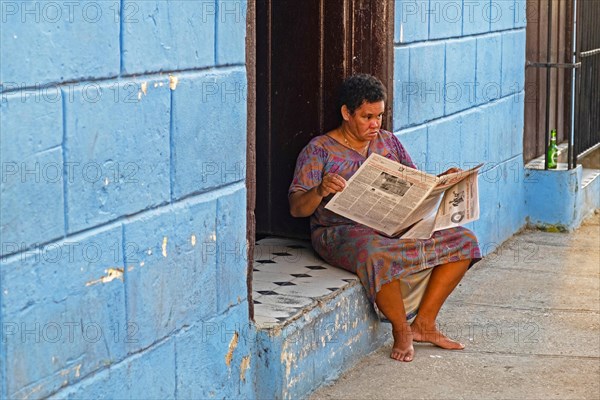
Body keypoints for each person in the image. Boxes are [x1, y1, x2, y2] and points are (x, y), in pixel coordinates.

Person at [288, 74, 481, 362]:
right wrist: (320, 189)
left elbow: (417, 184)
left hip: (392, 227)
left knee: (465, 240)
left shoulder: (388, 142)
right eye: (367, 117)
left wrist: (441, 181)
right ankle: (402, 330)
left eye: (379, 115)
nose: (375, 124)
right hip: (341, 231)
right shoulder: (319, 150)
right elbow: (296, 208)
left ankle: (424, 324)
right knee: (375, 254)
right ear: (346, 113)